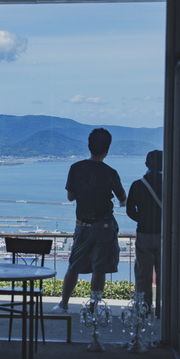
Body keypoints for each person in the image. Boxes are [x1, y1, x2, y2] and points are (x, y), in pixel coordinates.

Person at [52, 128, 127, 312]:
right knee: (99, 268)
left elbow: (70, 196)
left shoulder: (76, 168)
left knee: (74, 265)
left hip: (83, 224)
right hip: (105, 224)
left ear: (89, 146)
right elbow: (122, 197)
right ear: (107, 150)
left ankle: (64, 303)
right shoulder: (111, 172)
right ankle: (94, 306)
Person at [126, 150, 163, 314]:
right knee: (167, 275)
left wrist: (142, 219)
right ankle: (165, 310)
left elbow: (129, 210)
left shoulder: (138, 184)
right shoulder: (174, 182)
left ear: (147, 164)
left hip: (144, 233)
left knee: (143, 275)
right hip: (167, 235)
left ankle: (144, 309)